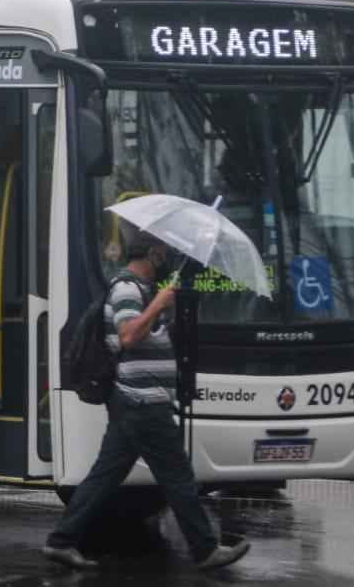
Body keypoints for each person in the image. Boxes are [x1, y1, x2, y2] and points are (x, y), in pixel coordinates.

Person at [42, 231, 251, 572]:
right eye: (163, 253)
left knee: (103, 478)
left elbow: (148, 338)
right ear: (152, 254)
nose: (166, 260)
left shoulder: (141, 290)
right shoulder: (127, 289)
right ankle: (205, 549)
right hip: (142, 402)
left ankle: (60, 542)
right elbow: (128, 335)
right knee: (179, 477)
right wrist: (158, 304)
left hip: (134, 403)